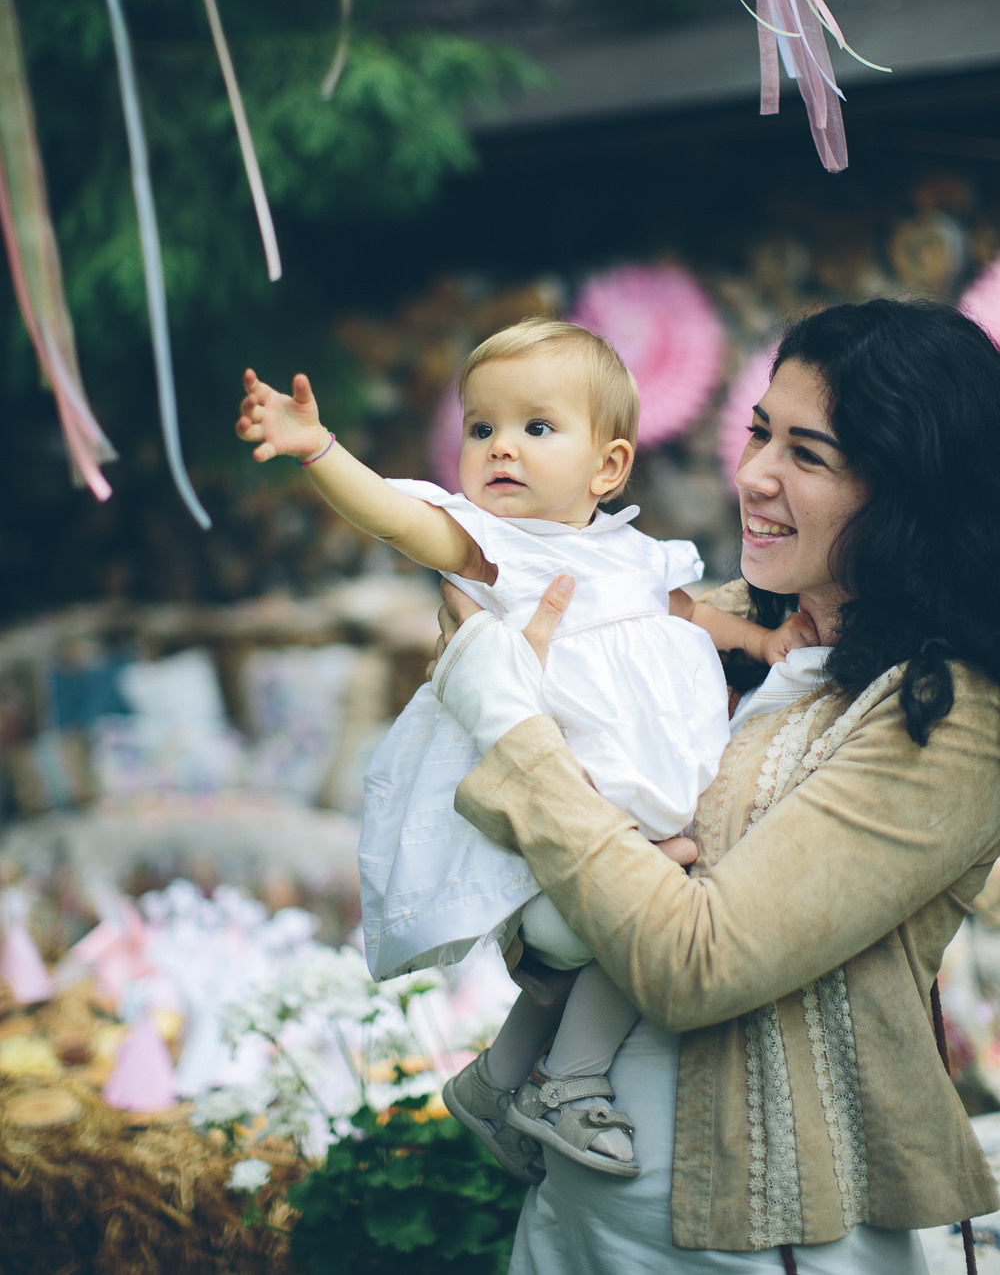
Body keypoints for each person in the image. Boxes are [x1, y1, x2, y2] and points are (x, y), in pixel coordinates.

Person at [427, 298, 1000, 1273]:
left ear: (908, 492)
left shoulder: (947, 714)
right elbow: (533, 894)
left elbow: (696, 966)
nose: (752, 477)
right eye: (757, 433)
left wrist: (512, 730)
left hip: (754, 1236)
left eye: (806, 456)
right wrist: (560, 924)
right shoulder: (694, 623)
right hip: (574, 1210)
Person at [236, 317, 813, 1180]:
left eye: (535, 428)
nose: (501, 448)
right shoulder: (492, 546)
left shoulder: (626, 556)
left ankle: (497, 1079)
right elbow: (399, 519)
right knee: (645, 915)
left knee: (647, 902)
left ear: (608, 467)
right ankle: (568, 1085)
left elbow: (684, 612)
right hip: (556, 833)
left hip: (614, 814)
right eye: (482, 428)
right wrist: (319, 449)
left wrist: (759, 644)